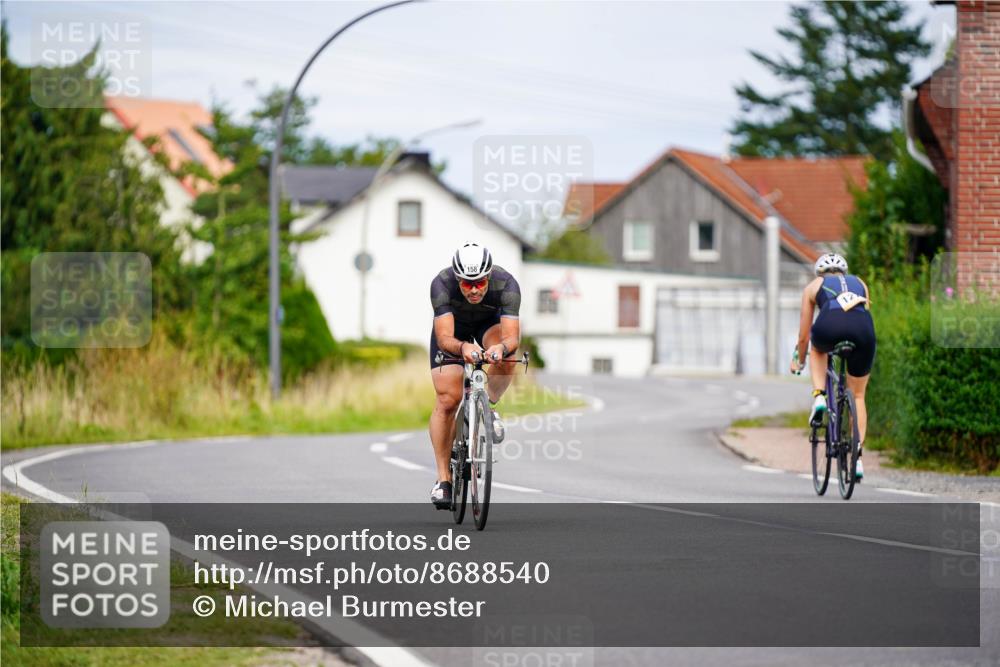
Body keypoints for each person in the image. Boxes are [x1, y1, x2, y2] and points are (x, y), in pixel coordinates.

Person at [428, 243, 521, 508]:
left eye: (480, 283)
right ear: (457, 279)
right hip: (453, 330)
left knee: (507, 357)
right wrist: (463, 347)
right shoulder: (441, 284)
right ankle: (443, 480)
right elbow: (445, 336)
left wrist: (499, 349)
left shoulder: (507, 284)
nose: (474, 290)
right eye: (467, 284)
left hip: (488, 324)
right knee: (448, 399)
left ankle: (487, 407)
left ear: (489, 276)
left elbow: (512, 336)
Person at [791, 252, 876, 481]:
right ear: (844, 272)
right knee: (858, 395)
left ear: (820, 273)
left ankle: (819, 396)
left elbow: (803, 336)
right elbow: (863, 313)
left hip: (830, 324)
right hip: (863, 330)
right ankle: (856, 459)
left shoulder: (814, 286)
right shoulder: (860, 284)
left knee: (817, 349)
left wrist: (799, 360)